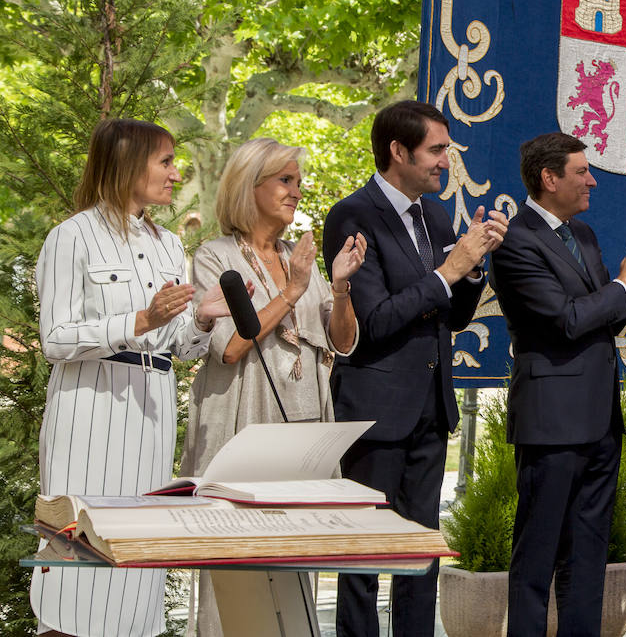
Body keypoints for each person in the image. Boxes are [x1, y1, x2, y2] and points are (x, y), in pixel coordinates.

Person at [31, 119, 236, 637]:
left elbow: (179, 348)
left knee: (139, 560)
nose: (175, 173)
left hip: (151, 414)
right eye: (165, 162)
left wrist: (203, 318)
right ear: (126, 163)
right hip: (90, 415)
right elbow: (54, 338)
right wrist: (139, 320)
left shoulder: (170, 245)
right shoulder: (70, 237)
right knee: (79, 566)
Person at [322, 100, 507, 637]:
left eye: (445, 150)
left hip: (430, 407)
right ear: (397, 151)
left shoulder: (435, 214)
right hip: (376, 411)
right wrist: (451, 268)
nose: (445, 162)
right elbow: (374, 321)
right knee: (362, 554)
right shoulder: (352, 216)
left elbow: (455, 314)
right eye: (436, 150)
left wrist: (473, 268)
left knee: (421, 551)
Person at [182, 138, 367, 635]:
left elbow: (342, 342)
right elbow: (229, 347)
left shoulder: (296, 257)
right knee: (236, 568)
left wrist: (342, 286)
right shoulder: (215, 255)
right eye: (285, 180)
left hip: (304, 428)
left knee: (293, 569)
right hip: (243, 423)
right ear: (250, 185)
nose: (296, 192)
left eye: (299, 182)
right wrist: (291, 292)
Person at [490, 132, 626, 637]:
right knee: (537, 556)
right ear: (549, 179)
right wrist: (622, 283)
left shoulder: (583, 235)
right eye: (581, 171)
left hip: (599, 420)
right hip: (550, 423)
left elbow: (603, 319)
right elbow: (565, 321)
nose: (592, 180)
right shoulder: (515, 242)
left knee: (588, 556)